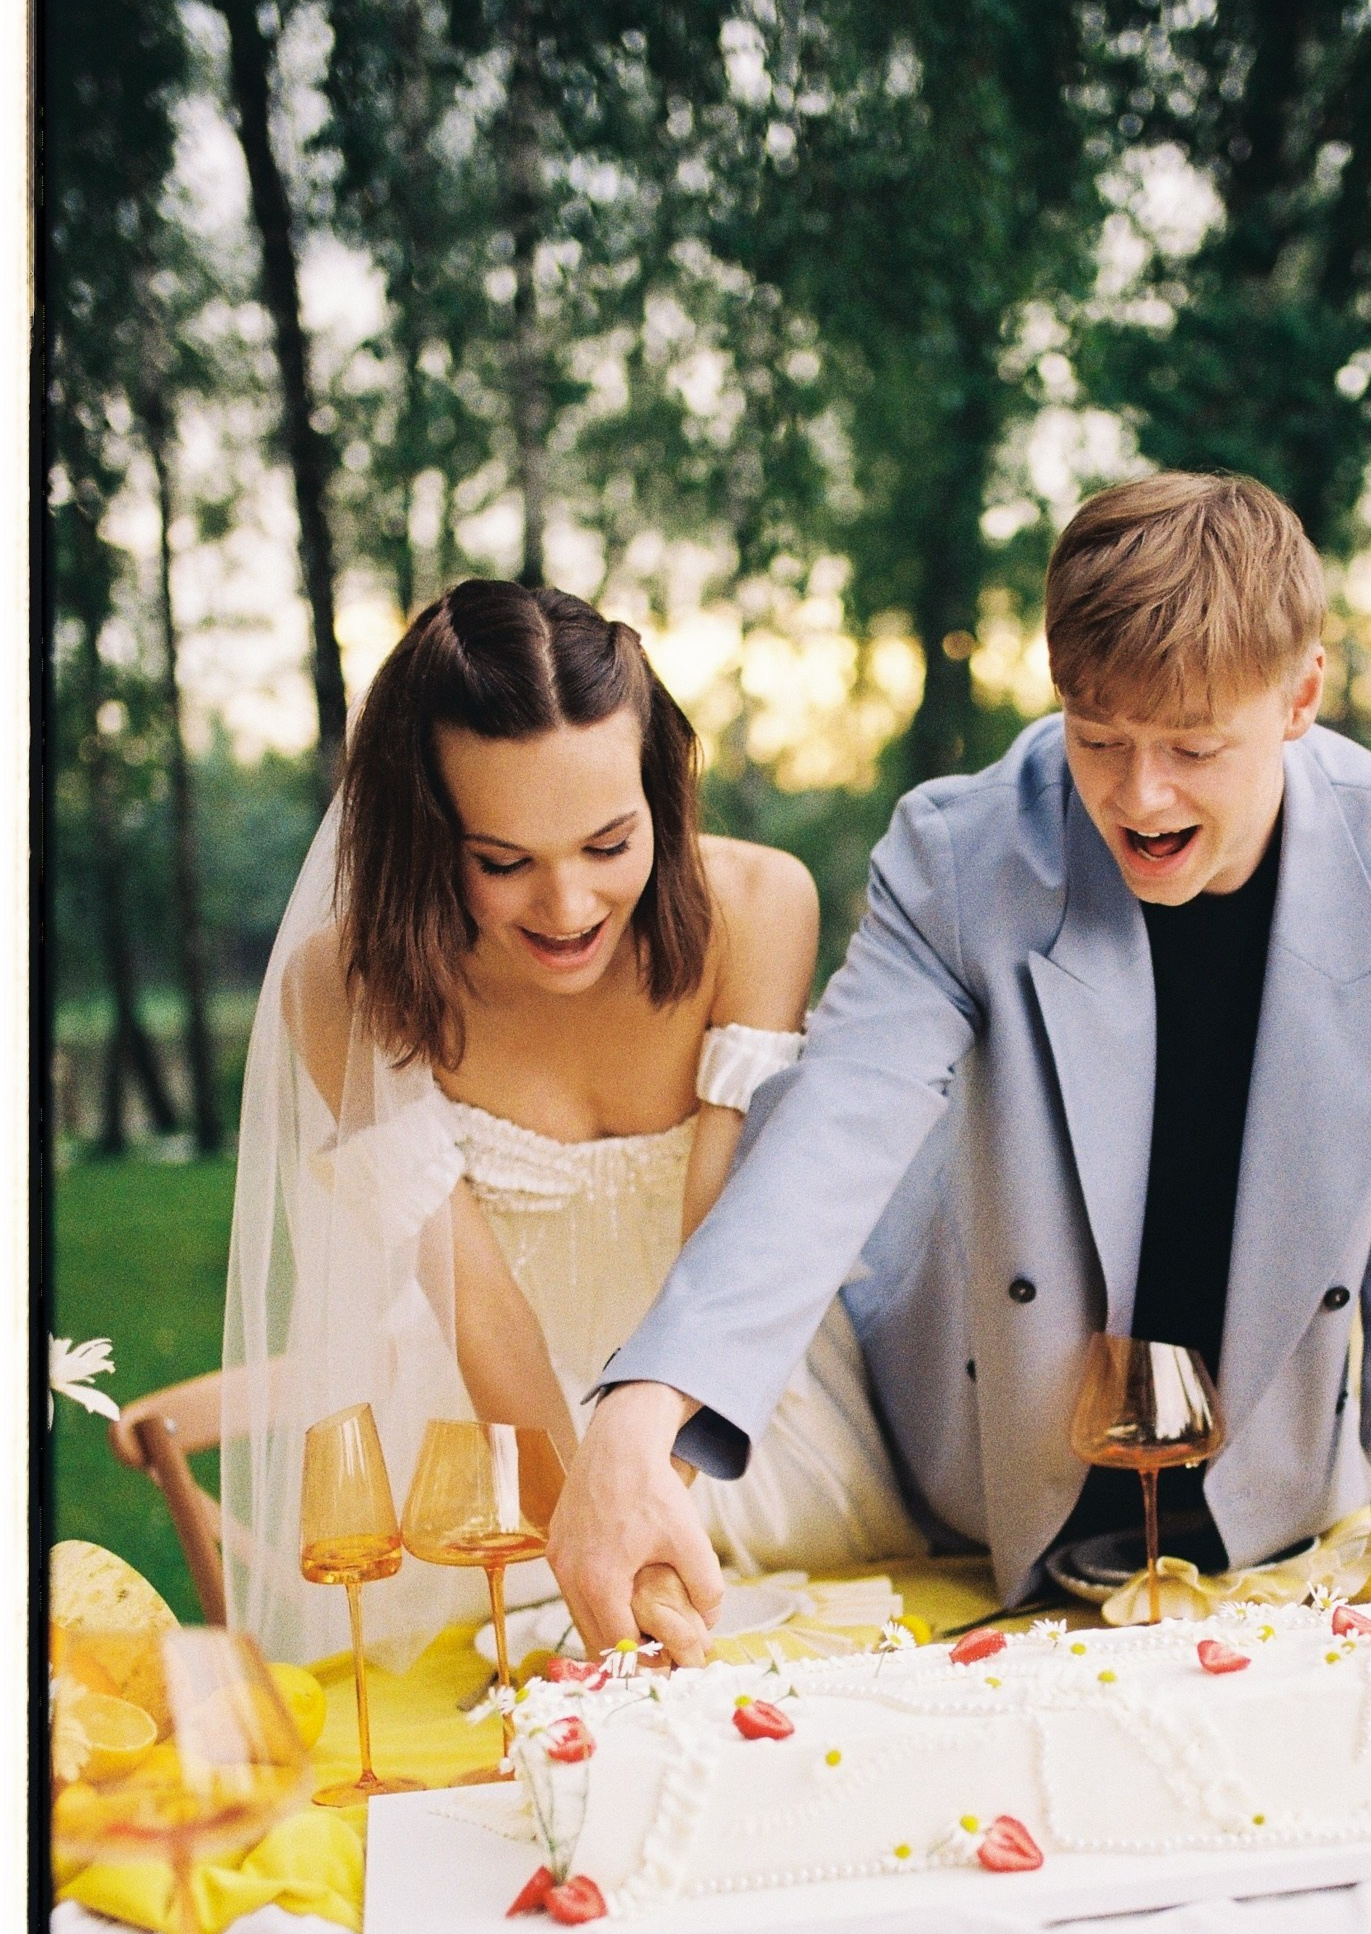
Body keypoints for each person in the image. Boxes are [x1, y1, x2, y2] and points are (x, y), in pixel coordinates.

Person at [548, 470, 1371, 1665]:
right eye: (1098, 737)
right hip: (995, 1471)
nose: (1140, 796)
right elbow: (833, 1129)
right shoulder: (961, 852)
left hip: (1269, 1502)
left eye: (1195, 747)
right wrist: (650, 1404)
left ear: (1302, 694)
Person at [221, 581, 921, 1667]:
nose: (567, 908)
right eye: (503, 863)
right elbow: (483, 1313)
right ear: (427, 836)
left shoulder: (760, 907)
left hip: (730, 1405)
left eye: (609, 845)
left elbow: (718, 1243)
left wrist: (644, 1505)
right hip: (499, 1438)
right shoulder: (343, 985)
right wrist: (581, 1536)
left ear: (662, 796)